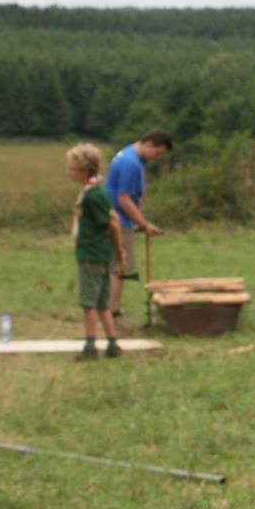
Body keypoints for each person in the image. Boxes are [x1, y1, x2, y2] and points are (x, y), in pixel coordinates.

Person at [66, 143, 125, 360]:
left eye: (72, 167)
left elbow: (112, 223)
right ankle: (112, 344)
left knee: (88, 303)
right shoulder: (90, 192)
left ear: (84, 170)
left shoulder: (94, 196)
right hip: (97, 253)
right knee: (102, 303)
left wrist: (119, 252)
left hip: (93, 254)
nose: (68, 171)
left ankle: (90, 346)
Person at [105, 128, 173, 314]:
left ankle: (109, 313)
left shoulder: (128, 154)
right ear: (148, 144)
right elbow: (124, 199)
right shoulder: (130, 163)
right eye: (157, 153)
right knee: (119, 269)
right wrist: (143, 224)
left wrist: (135, 222)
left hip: (118, 220)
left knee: (117, 267)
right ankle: (114, 316)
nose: (157, 158)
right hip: (117, 221)